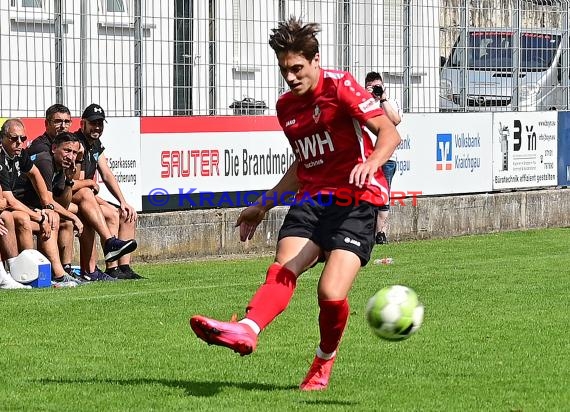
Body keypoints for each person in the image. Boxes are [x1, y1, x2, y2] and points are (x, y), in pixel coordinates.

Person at [189, 17, 401, 391]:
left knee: (330, 294)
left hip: (357, 201)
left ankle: (323, 362)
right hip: (312, 199)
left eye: (297, 68)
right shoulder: (286, 107)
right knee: (283, 268)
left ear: (315, 60)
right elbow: (303, 164)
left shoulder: (342, 86)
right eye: (284, 69)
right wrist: (264, 204)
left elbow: (389, 132)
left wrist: (371, 163)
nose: (290, 77)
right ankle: (247, 329)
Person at [0, 118, 79, 287]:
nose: (19, 143)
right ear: (3, 138)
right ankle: (22, 273)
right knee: (19, 218)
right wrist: (40, 216)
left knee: (53, 218)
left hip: (16, 205)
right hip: (15, 206)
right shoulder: (43, 160)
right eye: (14, 139)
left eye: (22, 139)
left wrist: (47, 207)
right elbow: (9, 200)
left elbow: (35, 175)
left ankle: (57, 273)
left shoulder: (20, 154)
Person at [73, 104, 140, 280]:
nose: (97, 127)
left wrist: (123, 201)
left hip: (88, 195)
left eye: (100, 123)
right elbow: (77, 183)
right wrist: (91, 186)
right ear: (82, 124)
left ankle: (124, 267)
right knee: (111, 214)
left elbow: (107, 173)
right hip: (76, 197)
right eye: (93, 123)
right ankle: (112, 267)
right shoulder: (76, 144)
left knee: (127, 213)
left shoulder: (95, 144)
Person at [27, 103, 77, 273]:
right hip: (24, 203)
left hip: (38, 203)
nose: (63, 126)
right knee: (53, 217)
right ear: (46, 123)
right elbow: (48, 201)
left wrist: (70, 180)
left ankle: (67, 269)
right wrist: (74, 217)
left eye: (67, 121)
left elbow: (60, 201)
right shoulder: (44, 154)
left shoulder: (61, 157)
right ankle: (54, 273)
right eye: (57, 121)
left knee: (65, 217)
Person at [364, 71, 402, 245]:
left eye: (378, 87)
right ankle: (365, 232)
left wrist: (383, 99)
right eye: (372, 87)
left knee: (383, 196)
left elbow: (395, 120)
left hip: (387, 157)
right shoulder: (363, 103)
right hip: (365, 157)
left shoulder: (390, 103)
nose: (376, 91)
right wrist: (369, 98)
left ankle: (381, 233)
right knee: (364, 196)